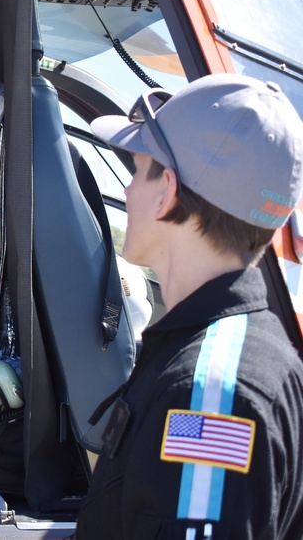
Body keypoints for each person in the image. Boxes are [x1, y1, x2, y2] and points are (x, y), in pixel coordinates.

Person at [74, 74, 303, 539]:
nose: (131, 189)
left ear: (167, 193)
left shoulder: (209, 396)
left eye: (139, 169)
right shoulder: (240, 353)